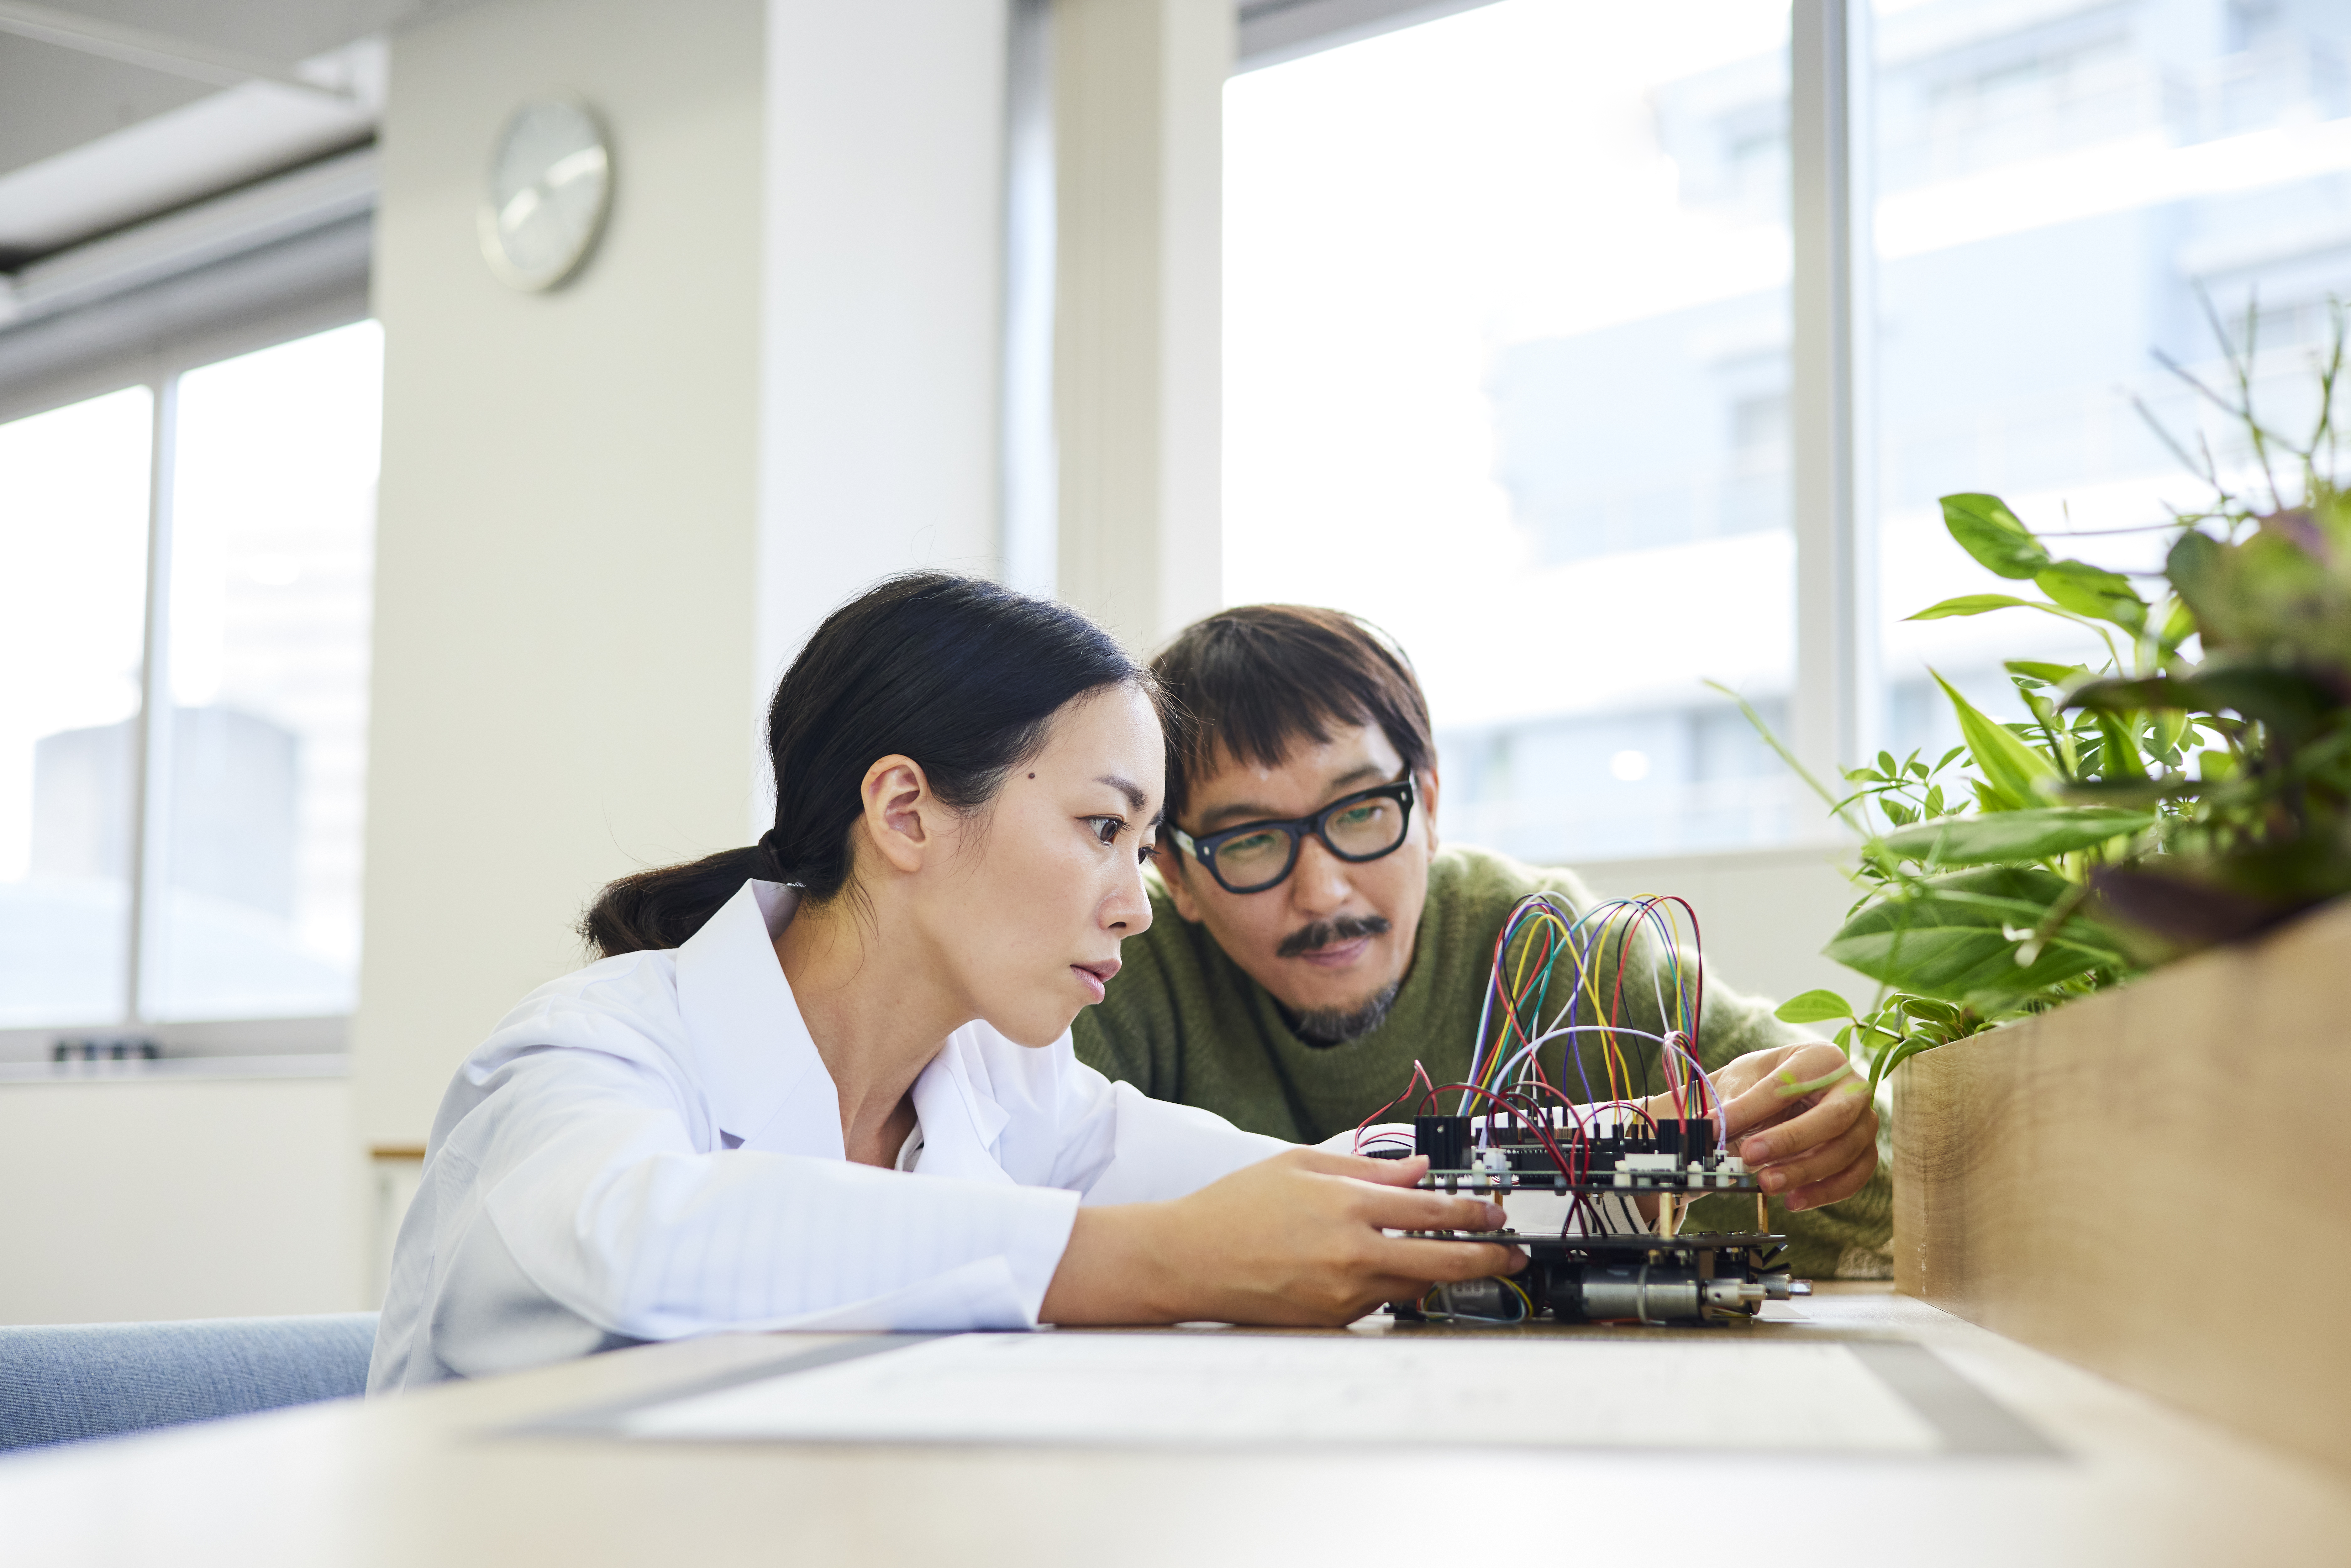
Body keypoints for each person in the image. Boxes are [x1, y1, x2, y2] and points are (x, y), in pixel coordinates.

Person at [369, 576, 1525, 1389]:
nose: (1136, 900)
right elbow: (631, 1251)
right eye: (1101, 826)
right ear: (907, 812)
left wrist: (1647, 1135)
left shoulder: (1003, 1082)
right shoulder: (588, 1055)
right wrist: (1160, 1256)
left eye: (1144, 843)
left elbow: (1329, 1183)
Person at [1072, 605, 1892, 1281]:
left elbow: (1885, 1191)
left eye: (1361, 812)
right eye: (1250, 838)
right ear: (1172, 869)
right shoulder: (1112, 962)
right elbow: (1016, 1213)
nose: (1322, 891)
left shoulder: (1563, 951)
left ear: (1428, 804)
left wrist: (1827, 1133)